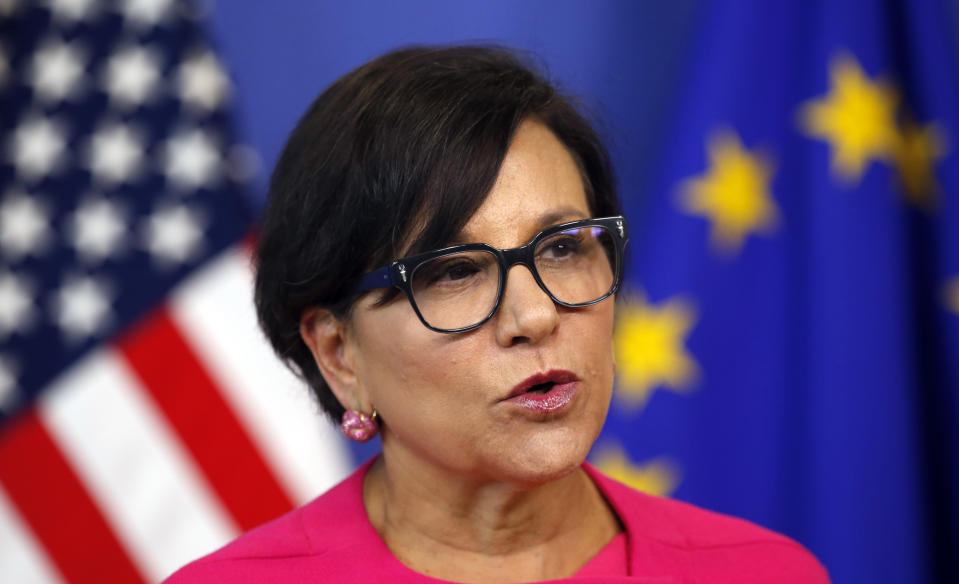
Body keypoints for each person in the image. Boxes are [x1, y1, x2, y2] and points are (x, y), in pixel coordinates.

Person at [165, 45, 829, 583]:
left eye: (564, 247)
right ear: (340, 356)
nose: (535, 315)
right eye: (454, 270)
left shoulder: (764, 573)